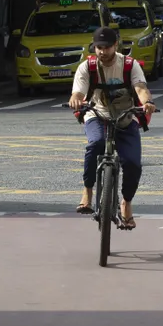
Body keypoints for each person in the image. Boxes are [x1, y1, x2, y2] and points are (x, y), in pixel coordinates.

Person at [68, 27, 157, 230]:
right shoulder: (87, 67)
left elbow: (141, 88)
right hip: (97, 115)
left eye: (107, 47)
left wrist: (147, 102)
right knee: (95, 144)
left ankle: (126, 203)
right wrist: (75, 99)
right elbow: (78, 92)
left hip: (126, 117)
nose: (102, 51)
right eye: (99, 47)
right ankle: (87, 191)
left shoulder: (129, 65)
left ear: (116, 46)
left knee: (133, 163)